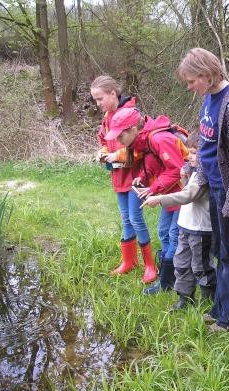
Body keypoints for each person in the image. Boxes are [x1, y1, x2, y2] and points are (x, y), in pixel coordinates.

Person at [177, 48, 229, 332]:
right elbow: (207, 148)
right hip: (213, 188)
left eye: (191, 80)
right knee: (220, 252)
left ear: (207, 75)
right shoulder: (209, 98)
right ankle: (222, 306)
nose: (189, 87)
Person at [103, 107, 186, 295]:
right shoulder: (144, 141)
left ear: (133, 129)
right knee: (163, 231)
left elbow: (176, 169)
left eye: (120, 136)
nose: (118, 142)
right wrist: (141, 176)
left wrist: (152, 189)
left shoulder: (158, 139)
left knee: (174, 236)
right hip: (168, 195)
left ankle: (168, 282)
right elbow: (154, 165)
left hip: (182, 195)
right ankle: (171, 274)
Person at [90, 76, 157, 284]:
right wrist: (102, 152)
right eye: (95, 100)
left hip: (136, 177)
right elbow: (104, 139)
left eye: (100, 98)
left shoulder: (131, 114)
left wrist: (117, 155)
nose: (98, 104)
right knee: (125, 218)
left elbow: (141, 146)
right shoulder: (107, 117)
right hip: (118, 177)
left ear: (112, 93)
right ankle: (129, 261)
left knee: (136, 218)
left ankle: (150, 265)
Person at [141, 132, 216, 309]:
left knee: (201, 266)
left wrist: (160, 199)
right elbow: (187, 187)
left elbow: (188, 195)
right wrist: (184, 175)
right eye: (189, 152)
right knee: (181, 263)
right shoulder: (194, 172)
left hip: (201, 228)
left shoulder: (204, 176)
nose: (189, 156)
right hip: (185, 225)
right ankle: (184, 298)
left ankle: (208, 301)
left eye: (194, 153)